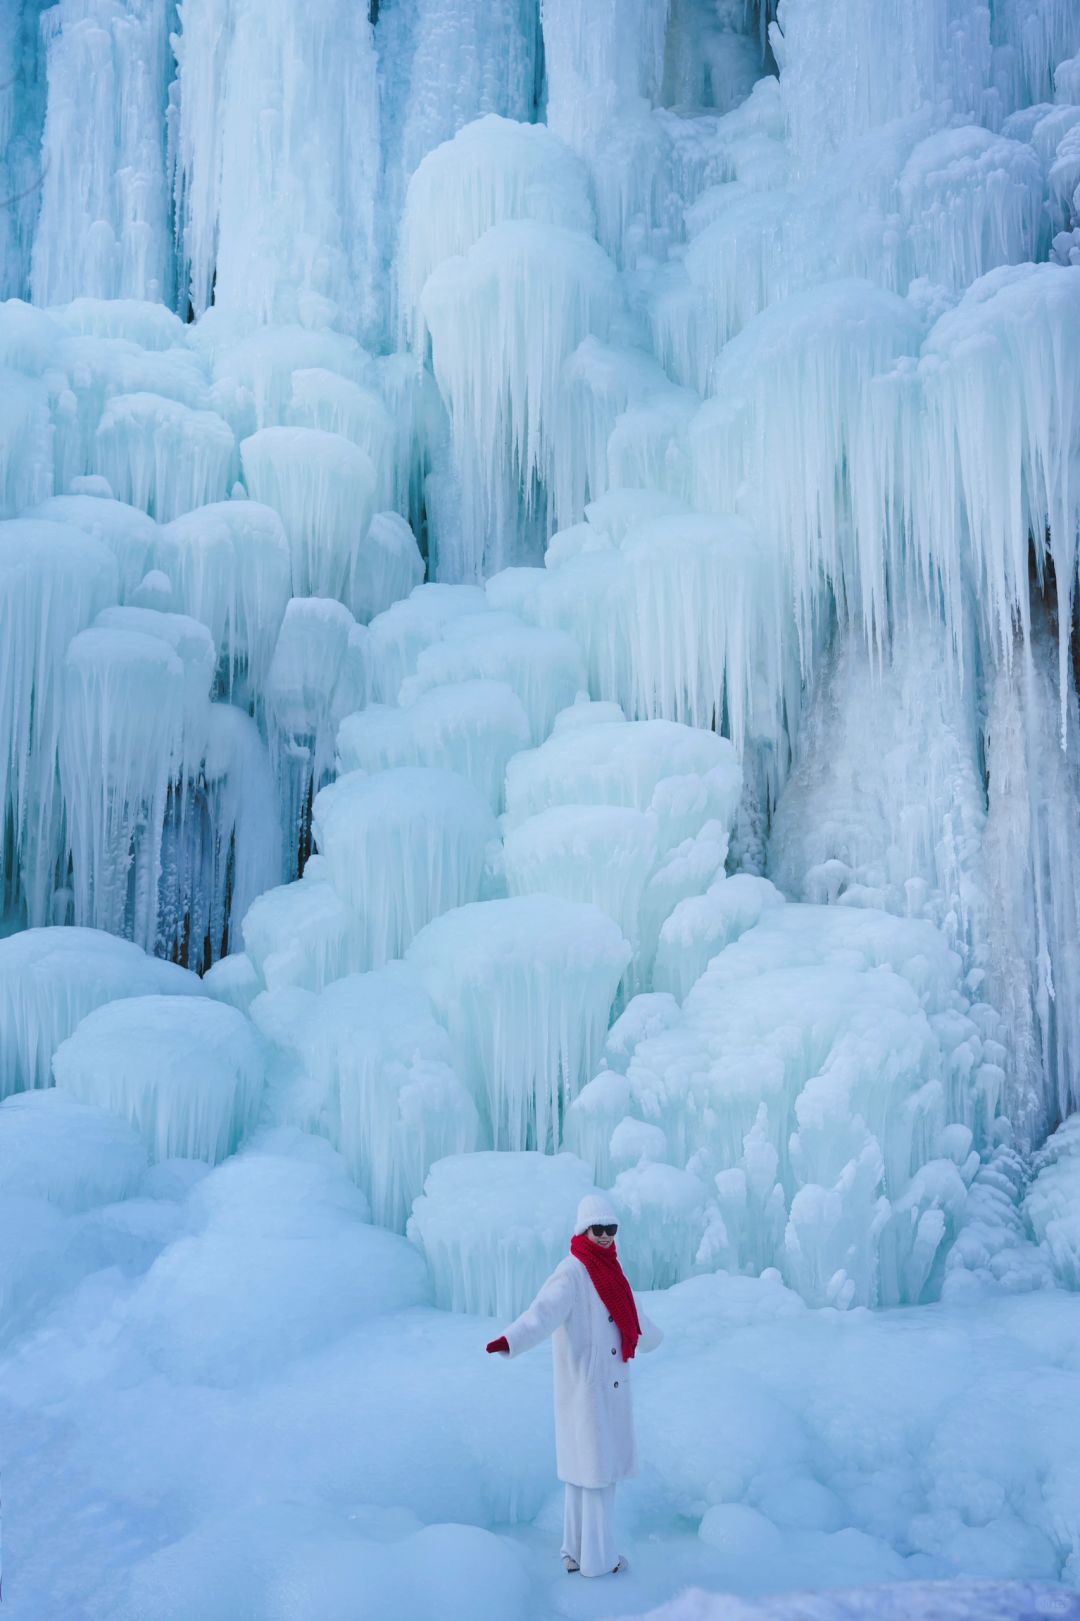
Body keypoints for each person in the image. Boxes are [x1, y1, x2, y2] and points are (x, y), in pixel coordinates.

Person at [485, 1192, 663, 1578]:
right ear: (583, 1229)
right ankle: (600, 1562)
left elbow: (635, 1317)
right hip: (587, 1393)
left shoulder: (614, 1270)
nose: (604, 1236)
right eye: (597, 1229)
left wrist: (654, 1337)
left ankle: (573, 1551)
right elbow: (542, 1314)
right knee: (596, 1479)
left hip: (607, 1390)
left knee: (585, 1477)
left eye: (610, 1229)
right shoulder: (572, 1272)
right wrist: (511, 1340)